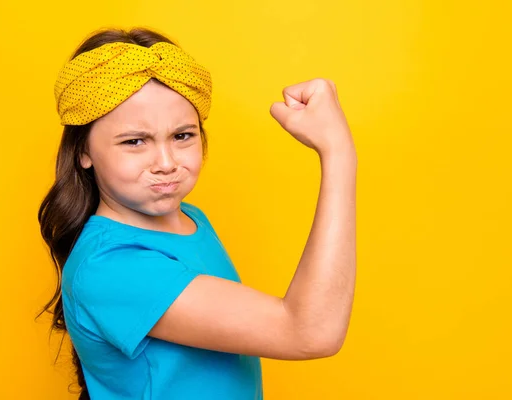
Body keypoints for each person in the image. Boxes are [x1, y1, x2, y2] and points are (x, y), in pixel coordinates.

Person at [37, 27, 357, 400]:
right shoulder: (110, 266)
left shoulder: (189, 218)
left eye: (182, 136)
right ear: (83, 152)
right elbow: (310, 332)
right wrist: (338, 152)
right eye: (134, 141)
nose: (166, 163)